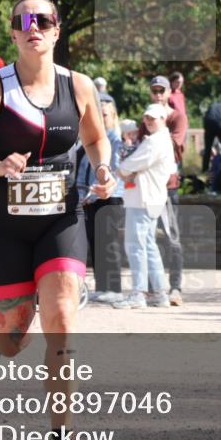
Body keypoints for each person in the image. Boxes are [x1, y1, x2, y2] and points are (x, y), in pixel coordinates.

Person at [0, 0, 115, 440]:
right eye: (23, 20)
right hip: (5, 228)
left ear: (57, 29)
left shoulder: (79, 85)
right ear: (13, 32)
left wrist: (102, 167)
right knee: (14, 339)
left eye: (43, 19)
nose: (33, 26)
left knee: (61, 320)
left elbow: (96, 136)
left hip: (60, 219)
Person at [112, 103, 175, 310]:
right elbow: (128, 168)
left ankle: (139, 293)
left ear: (163, 119)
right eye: (147, 117)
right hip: (150, 198)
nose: (148, 121)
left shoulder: (154, 142)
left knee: (136, 246)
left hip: (143, 199)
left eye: (153, 118)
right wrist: (129, 171)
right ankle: (159, 293)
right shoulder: (159, 139)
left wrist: (127, 170)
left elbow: (126, 166)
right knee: (148, 246)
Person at [77, 99, 125, 304]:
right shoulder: (92, 141)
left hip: (110, 198)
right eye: (99, 115)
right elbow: (83, 172)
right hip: (91, 199)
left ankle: (114, 288)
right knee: (96, 243)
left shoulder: (115, 141)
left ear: (112, 116)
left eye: (105, 115)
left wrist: (92, 193)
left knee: (109, 244)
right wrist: (83, 196)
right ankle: (102, 285)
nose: (102, 119)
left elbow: (112, 170)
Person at [148, 75, 187, 305]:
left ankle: (175, 288)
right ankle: (153, 288)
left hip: (167, 186)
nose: (159, 94)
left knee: (172, 237)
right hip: (147, 186)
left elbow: (169, 146)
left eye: (162, 90)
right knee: (147, 238)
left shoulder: (176, 117)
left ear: (168, 93)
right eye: (155, 90)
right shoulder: (147, 119)